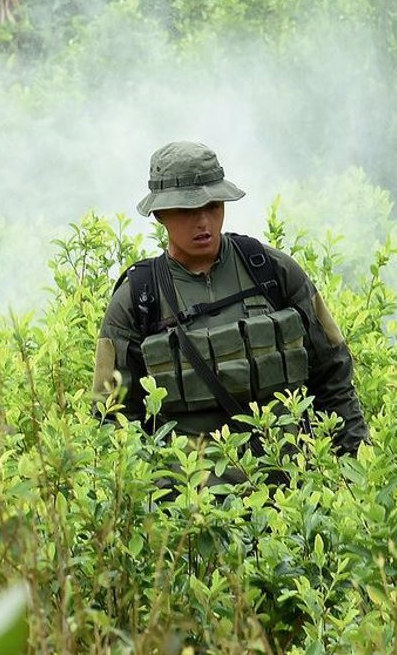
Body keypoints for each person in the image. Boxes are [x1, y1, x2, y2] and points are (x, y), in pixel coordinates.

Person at [92, 141, 369, 460]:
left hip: (293, 488)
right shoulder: (138, 297)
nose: (203, 222)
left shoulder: (272, 271)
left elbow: (333, 373)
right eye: (187, 211)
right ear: (160, 214)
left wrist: (353, 463)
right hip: (192, 496)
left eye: (212, 206)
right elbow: (112, 414)